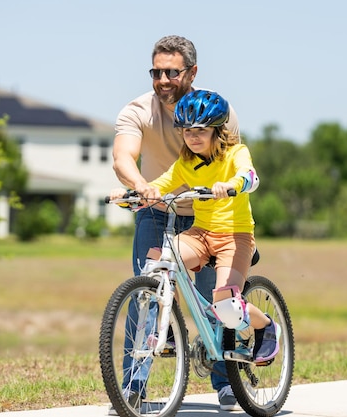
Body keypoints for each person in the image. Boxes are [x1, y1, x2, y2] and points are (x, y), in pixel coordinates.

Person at [110, 35, 241, 412]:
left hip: (206, 214)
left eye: (171, 72)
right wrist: (140, 186)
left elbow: (234, 163)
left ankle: (227, 380)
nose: (163, 80)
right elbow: (123, 156)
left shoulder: (217, 110)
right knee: (145, 294)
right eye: (156, 72)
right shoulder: (138, 111)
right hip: (157, 208)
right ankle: (134, 388)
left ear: (192, 72)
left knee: (215, 300)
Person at [113, 89, 281, 368]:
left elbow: (250, 177)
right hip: (199, 234)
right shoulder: (186, 164)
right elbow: (160, 186)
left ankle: (265, 326)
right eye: (187, 130)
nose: (193, 136)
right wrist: (132, 194)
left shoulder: (235, 153)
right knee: (158, 262)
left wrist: (231, 185)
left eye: (200, 130)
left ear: (217, 130)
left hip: (234, 237)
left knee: (226, 308)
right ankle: (167, 328)